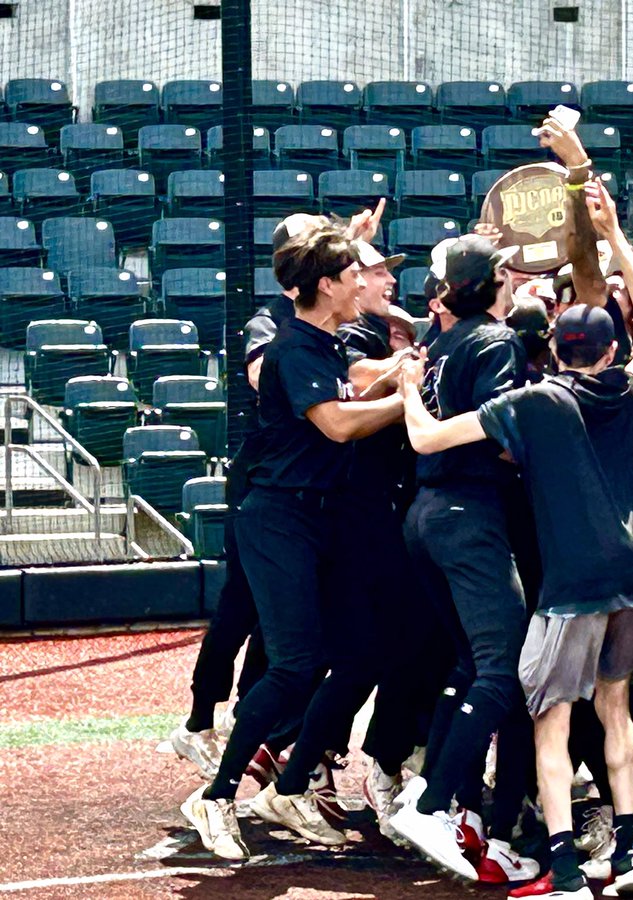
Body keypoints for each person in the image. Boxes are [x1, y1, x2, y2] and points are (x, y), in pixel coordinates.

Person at [401, 179, 633, 900]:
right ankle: (630, 856)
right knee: (616, 712)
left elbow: (426, 437)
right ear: (609, 348)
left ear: (552, 345)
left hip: (571, 580)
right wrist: (613, 236)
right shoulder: (630, 387)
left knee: (551, 719)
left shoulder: (536, 400)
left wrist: (409, 385)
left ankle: (567, 870)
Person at [180, 224, 408, 859]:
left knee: (359, 654)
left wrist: (394, 375)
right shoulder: (294, 347)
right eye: (354, 275)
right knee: (295, 664)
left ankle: (291, 786)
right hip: (280, 520)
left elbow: (349, 393)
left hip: (318, 521)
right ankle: (216, 796)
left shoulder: (325, 343)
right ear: (327, 285)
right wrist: (407, 400)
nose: (364, 283)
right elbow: (336, 424)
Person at [387, 233, 530, 881]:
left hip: (427, 515)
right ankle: (433, 806)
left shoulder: (441, 342)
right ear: (491, 283)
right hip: (469, 513)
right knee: (504, 666)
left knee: (471, 663)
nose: (514, 277)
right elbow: (502, 432)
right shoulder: (497, 340)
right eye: (504, 271)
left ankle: (431, 794)